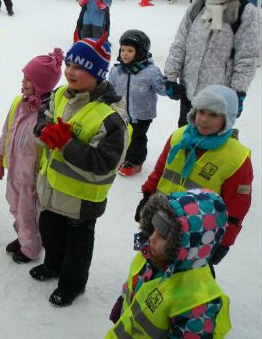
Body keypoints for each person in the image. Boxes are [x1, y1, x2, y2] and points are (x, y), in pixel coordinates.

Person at [32, 35, 129, 307]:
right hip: (53, 188)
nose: (70, 71)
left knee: (77, 248)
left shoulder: (110, 117)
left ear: (97, 73)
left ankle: (72, 284)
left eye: (80, 67)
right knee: (50, 232)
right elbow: (44, 115)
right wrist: (45, 131)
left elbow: (104, 163)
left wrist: (65, 143)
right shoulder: (62, 93)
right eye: (69, 64)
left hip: (82, 200)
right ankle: (52, 265)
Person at [135, 85, 253, 267]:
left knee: (182, 280)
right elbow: (160, 171)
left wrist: (224, 242)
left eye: (213, 115)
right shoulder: (179, 137)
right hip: (158, 220)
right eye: (201, 112)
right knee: (147, 264)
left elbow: (236, 208)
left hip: (196, 233)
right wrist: (146, 196)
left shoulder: (236, 158)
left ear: (228, 119)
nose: (204, 120)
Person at [107, 190, 231, 337]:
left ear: (185, 246)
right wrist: (122, 301)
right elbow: (133, 283)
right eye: (153, 229)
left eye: (163, 236)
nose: (152, 238)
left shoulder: (197, 303)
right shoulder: (149, 255)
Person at [163, 0, 260, 127]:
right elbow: (180, 42)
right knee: (184, 139)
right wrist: (170, 75)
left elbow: (246, 57)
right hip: (189, 91)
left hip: (218, 99)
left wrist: (238, 92)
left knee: (210, 149)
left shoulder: (245, 13)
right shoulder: (198, 7)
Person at [0, 49, 63, 263]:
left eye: (29, 80)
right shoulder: (18, 104)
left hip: (32, 178)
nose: (23, 83)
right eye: (24, 78)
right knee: (14, 207)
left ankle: (30, 248)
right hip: (14, 170)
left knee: (29, 214)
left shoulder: (47, 114)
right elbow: (6, 132)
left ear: (41, 85)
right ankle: (24, 237)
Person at [108, 29, 166, 177]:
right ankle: (121, 156)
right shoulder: (116, 71)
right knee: (121, 135)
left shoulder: (151, 72)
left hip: (142, 113)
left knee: (137, 137)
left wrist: (171, 88)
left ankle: (135, 162)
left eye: (130, 50)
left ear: (140, 52)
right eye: (122, 50)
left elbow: (161, 88)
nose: (125, 53)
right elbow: (111, 88)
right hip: (121, 111)